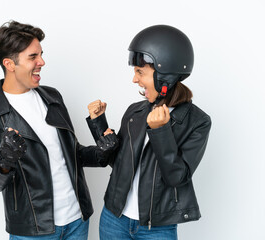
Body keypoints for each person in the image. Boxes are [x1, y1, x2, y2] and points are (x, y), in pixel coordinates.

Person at [0, 20, 118, 240]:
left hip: (76, 220)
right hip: (33, 231)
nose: (42, 62)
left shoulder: (52, 97)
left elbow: (71, 153)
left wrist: (101, 152)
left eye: (41, 54)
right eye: (33, 57)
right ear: (9, 64)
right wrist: (5, 159)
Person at [88, 25, 212, 239]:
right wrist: (99, 124)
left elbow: (177, 177)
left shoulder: (197, 122)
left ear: (165, 76)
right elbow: (119, 163)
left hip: (156, 228)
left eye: (140, 72)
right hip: (114, 218)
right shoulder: (135, 111)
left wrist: (161, 131)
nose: (135, 79)